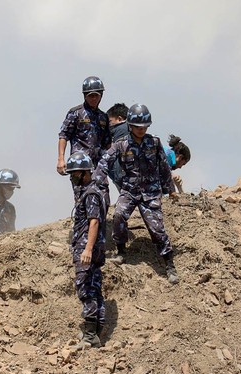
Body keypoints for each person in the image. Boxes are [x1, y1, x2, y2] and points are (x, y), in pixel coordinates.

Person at [110, 104, 179, 284]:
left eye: (144, 127)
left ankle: (169, 264)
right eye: (138, 127)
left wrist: (170, 190)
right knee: (118, 215)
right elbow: (105, 161)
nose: (141, 130)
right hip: (130, 191)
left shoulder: (154, 143)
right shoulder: (121, 144)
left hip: (150, 192)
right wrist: (96, 177)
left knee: (156, 228)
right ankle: (121, 251)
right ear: (130, 126)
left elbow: (164, 168)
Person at [66, 152, 108, 349]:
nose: (72, 178)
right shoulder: (90, 190)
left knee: (85, 288)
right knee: (94, 286)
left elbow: (94, 222)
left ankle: (90, 335)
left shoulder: (91, 193)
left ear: (84, 173)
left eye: (75, 174)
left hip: (87, 246)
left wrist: (87, 249)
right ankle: (96, 332)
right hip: (92, 246)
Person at [57, 76, 111, 176]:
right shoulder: (76, 113)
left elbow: (107, 143)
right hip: (79, 164)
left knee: (101, 191)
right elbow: (63, 136)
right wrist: (61, 159)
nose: (94, 99)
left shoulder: (104, 117)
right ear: (85, 96)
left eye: (96, 95)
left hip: (99, 166)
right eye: (91, 96)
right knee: (82, 191)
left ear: (101, 96)